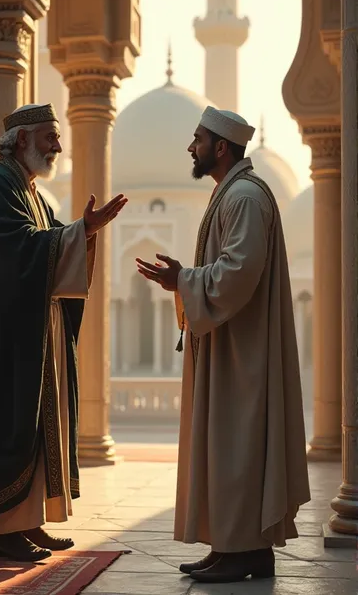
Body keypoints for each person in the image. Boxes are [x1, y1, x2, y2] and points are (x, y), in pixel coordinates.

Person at [0, 103, 127, 562]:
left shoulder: (28, 190)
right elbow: (17, 251)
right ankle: (2, 531)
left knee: (36, 427)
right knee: (11, 428)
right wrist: (81, 229)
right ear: (22, 139)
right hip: (3, 339)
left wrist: (81, 233)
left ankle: (26, 522)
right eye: (50, 137)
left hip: (31, 331)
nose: (58, 146)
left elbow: (46, 243)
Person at [136, 106, 310, 584]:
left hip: (244, 352)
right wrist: (184, 283)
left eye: (197, 139)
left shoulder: (246, 197)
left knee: (238, 448)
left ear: (221, 146)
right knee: (225, 448)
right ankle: (230, 546)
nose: (190, 147)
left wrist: (184, 279)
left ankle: (246, 551)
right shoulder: (230, 194)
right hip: (229, 344)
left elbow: (238, 272)